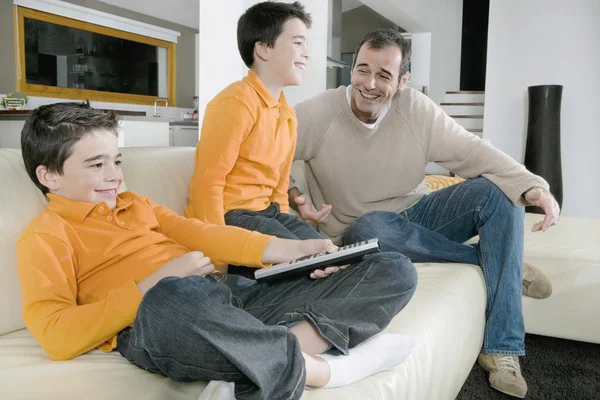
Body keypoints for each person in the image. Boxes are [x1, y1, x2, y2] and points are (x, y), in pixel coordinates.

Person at [16, 101, 418, 400]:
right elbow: (55, 335)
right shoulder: (46, 236)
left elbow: (205, 233)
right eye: (96, 165)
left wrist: (295, 250)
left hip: (232, 298)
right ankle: (322, 371)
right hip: (162, 319)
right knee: (173, 294)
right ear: (49, 175)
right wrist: (152, 283)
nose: (115, 175)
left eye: (116, 160)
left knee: (393, 268)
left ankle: (246, 358)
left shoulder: (136, 203)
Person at [288, 28, 561, 399]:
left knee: (499, 191)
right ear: (351, 70)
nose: (369, 84)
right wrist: (294, 193)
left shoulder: (416, 110)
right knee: (371, 225)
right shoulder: (318, 113)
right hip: (361, 231)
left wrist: (534, 186)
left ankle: (502, 348)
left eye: (384, 75)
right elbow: (270, 153)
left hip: (419, 214)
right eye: (362, 70)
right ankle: (497, 260)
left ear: (402, 82)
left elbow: (472, 150)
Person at [185, 1, 331, 249]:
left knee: (332, 252)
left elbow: (279, 188)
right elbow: (207, 184)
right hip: (235, 216)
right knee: (311, 260)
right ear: (263, 49)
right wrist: (217, 252)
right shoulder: (236, 102)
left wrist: (286, 222)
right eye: (298, 43)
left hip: (270, 213)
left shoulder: (287, 115)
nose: (307, 53)